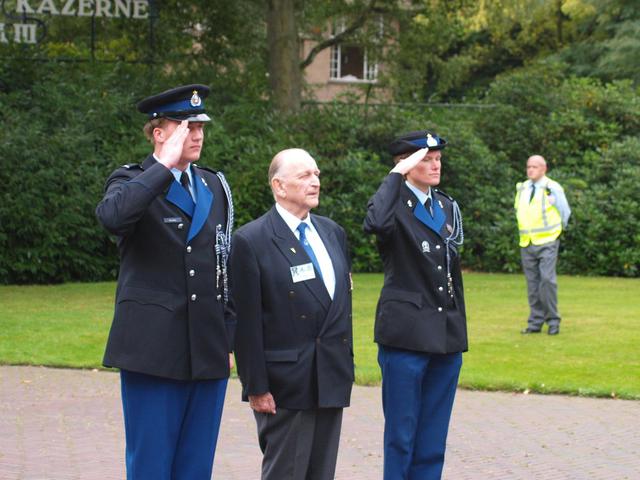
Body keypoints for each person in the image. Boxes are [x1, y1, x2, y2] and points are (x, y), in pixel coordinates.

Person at [95, 84, 235, 479]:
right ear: (159, 133)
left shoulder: (213, 185)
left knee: (196, 466)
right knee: (152, 464)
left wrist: (228, 336)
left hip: (206, 346)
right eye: (186, 126)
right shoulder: (133, 180)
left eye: (200, 126)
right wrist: (162, 168)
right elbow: (112, 218)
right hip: (153, 348)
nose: (197, 134)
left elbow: (222, 262)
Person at [230, 148, 354, 480]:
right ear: (279, 186)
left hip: (330, 376)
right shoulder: (251, 240)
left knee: (321, 473)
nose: (315, 182)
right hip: (285, 384)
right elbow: (246, 323)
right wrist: (256, 386)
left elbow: (340, 306)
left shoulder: (332, 232)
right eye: (304, 175)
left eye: (317, 174)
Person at [363, 130, 467, 480]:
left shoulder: (446, 206)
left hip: (445, 334)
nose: (436, 165)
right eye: (426, 159)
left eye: (438, 159)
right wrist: (395, 176)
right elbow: (375, 223)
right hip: (406, 335)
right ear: (405, 165)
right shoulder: (392, 204)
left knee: (433, 438)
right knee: (402, 435)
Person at [515, 154, 571, 335]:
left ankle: (553, 321)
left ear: (544, 169)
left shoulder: (552, 188)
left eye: (534, 167)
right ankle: (535, 322)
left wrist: (557, 233)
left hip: (548, 241)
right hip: (527, 242)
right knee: (532, 284)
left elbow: (565, 212)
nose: (530, 170)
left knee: (547, 281)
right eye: (528, 166)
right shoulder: (522, 188)